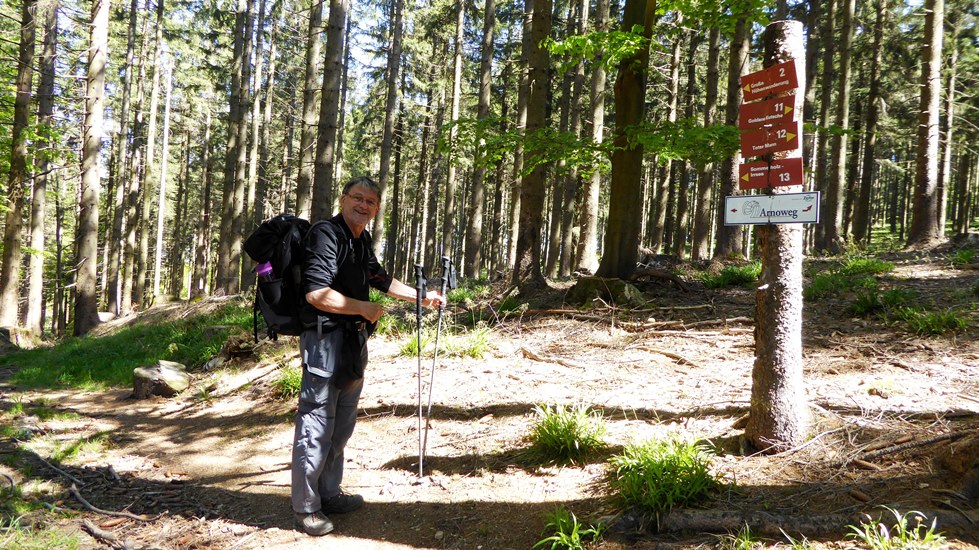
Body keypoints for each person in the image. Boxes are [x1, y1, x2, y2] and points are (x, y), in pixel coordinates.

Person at [292, 176, 445, 536]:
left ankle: (329, 492)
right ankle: (306, 507)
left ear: (376, 209)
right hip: (323, 342)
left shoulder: (360, 241)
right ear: (344, 199)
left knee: (341, 424)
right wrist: (363, 308)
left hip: (352, 343)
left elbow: (381, 279)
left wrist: (424, 297)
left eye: (370, 202)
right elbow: (316, 293)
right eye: (357, 198)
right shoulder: (325, 234)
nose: (363, 205)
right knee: (316, 423)